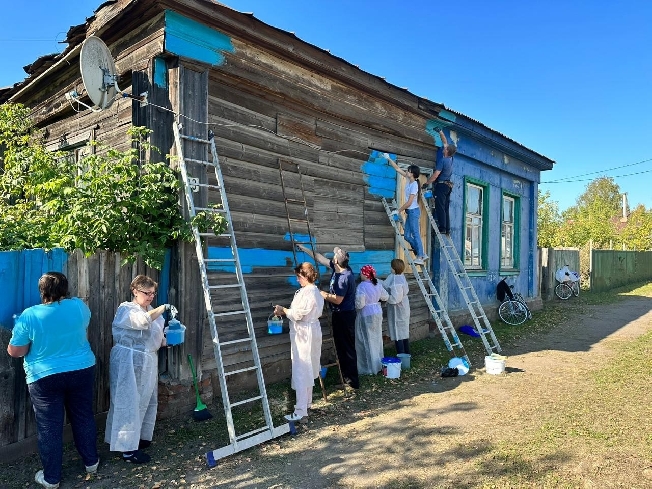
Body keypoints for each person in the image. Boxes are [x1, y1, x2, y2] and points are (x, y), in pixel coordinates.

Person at [7, 272, 99, 489]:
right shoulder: (78, 307)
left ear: (42, 291)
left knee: (49, 427)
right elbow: (80, 326)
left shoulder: (29, 316)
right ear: (66, 288)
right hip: (82, 369)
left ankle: (51, 479)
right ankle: (91, 463)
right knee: (84, 416)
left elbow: (16, 352)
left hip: (45, 377)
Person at [105, 275, 175, 464]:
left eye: (153, 293)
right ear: (135, 291)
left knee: (146, 400)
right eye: (147, 293)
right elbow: (142, 322)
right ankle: (127, 449)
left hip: (147, 361)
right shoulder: (126, 309)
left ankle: (140, 437)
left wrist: (169, 340)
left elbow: (156, 337)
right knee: (128, 402)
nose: (151, 297)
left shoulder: (152, 310)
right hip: (128, 361)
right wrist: (163, 308)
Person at [296, 243, 359, 389]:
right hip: (339, 314)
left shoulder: (344, 277)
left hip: (345, 315)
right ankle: (346, 380)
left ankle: (352, 382)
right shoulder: (338, 268)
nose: (332, 256)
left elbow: (338, 299)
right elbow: (319, 258)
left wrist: (322, 294)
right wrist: (304, 249)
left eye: (335, 255)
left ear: (337, 261)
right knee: (341, 347)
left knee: (347, 348)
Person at [273, 262, 325, 423]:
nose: (297, 280)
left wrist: (284, 310)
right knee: (308, 367)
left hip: (305, 333)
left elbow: (298, 314)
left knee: (302, 369)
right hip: (311, 330)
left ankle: (300, 410)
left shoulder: (309, 293)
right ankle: (307, 403)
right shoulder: (313, 291)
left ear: (305, 276)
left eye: (299, 276)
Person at [383, 154, 429, 265]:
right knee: (407, 236)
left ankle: (420, 256)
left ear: (412, 174)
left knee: (416, 234)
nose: (406, 172)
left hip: (413, 212)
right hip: (410, 212)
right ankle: (421, 252)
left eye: (408, 171)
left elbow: (409, 203)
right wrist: (388, 158)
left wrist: (398, 211)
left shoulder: (414, 185)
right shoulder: (409, 180)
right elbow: (398, 169)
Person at [355, 265, 389, 375]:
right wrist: (375, 299)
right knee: (377, 339)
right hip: (377, 313)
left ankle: (369, 368)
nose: (360, 275)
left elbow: (360, 304)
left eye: (361, 273)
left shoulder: (362, 286)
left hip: (366, 314)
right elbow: (386, 297)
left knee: (366, 340)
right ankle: (379, 365)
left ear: (365, 275)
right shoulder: (377, 284)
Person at [424, 128, 457, 235]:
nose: (444, 147)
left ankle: (442, 228)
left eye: (445, 148)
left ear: (447, 151)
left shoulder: (443, 161)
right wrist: (440, 131)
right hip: (448, 186)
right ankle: (447, 229)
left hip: (442, 186)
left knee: (440, 207)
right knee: (446, 207)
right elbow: (445, 141)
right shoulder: (450, 158)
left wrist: (427, 183)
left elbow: (436, 175)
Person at [381, 258, 411, 355]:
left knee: (399, 333)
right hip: (403, 307)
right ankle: (407, 353)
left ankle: (402, 355)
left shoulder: (396, 282)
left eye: (391, 266)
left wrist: (385, 297)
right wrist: (376, 281)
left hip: (398, 309)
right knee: (403, 332)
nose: (390, 268)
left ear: (394, 268)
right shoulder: (398, 276)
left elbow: (395, 299)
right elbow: (385, 284)